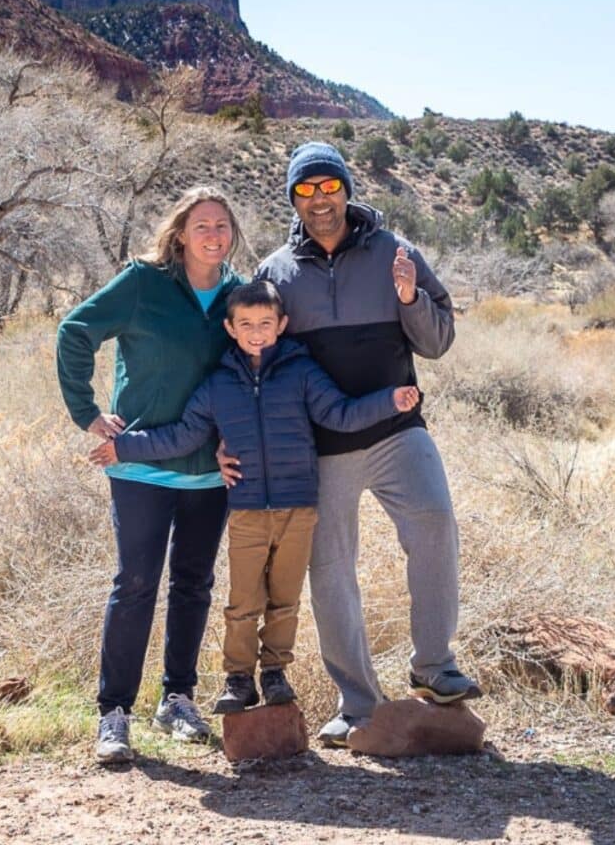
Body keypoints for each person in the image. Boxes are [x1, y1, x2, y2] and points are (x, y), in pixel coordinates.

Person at [89, 280, 420, 714]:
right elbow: (185, 434)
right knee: (243, 601)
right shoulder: (216, 385)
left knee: (285, 599)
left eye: (266, 322)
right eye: (246, 324)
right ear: (230, 328)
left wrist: (389, 401)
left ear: (282, 324)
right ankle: (239, 679)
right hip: (245, 511)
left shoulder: (302, 373)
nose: (257, 332)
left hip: (298, 507)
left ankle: (275, 673)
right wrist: (125, 446)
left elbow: (339, 413)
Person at [250, 141, 481, 747]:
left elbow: (437, 343)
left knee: (434, 526)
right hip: (320, 446)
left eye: (330, 187)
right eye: (307, 190)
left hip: (397, 430)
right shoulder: (276, 273)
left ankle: (434, 667)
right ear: (293, 198)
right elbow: (256, 362)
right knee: (330, 570)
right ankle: (358, 704)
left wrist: (407, 299)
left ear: (348, 189)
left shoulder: (396, 253)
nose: (320, 200)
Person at [56, 187, 244, 764]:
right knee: (135, 584)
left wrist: (237, 442)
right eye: (202, 225)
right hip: (138, 465)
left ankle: (177, 700)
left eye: (223, 226)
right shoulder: (144, 283)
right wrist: (88, 414)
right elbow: (75, 330)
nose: (213, 235)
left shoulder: (239, 295)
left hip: (209, 475)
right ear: (181, 233)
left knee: (194, 585)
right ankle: (114, 713)